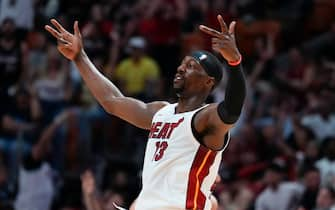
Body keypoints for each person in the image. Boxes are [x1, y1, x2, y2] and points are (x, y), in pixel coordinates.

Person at [45, 13, 246, 210]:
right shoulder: (161, 112)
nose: (181, 68)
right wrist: (79, 57)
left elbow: (231, 110)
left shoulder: (205, 118)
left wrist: (235, 63)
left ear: (208, 82)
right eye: (182, 63)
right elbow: (112, 101)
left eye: (191, 66)